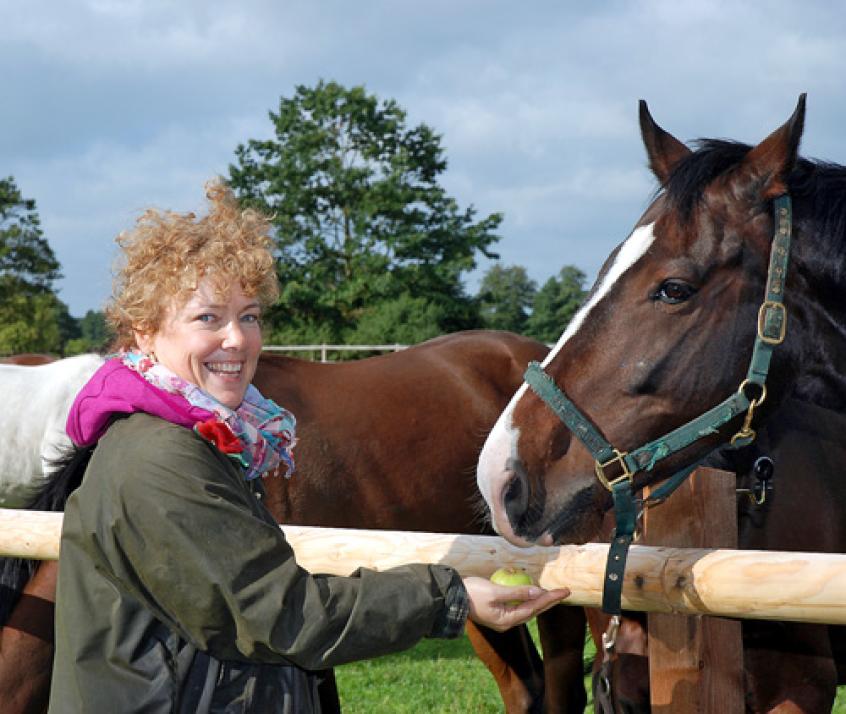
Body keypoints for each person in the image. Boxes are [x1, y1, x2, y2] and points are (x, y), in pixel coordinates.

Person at [48, 182, 569, 713]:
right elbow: (280, 614)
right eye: (208, 317)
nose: (238, 339)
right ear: (144, 332)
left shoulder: (203, 438)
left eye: (249, 315)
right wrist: (449, 595)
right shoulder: (161, 460)